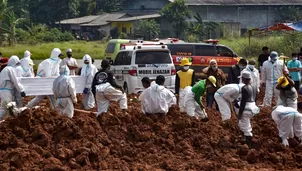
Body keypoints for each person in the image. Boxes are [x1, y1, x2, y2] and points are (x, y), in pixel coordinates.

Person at [238, 71, 260, 147]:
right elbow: (256, 97)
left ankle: (248, 143)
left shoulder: (244, 88)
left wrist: (240, 114)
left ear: (244, 79)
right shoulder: (254, 86)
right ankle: (245, 138)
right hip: (253, 107)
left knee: (245, 126)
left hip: (246, 109)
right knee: (245, 124)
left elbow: (243, 103)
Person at [0, 56, 26, 120]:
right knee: (9, 107)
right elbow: (15, 81)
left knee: (6, 107)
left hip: (4, 91)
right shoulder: (10, 69)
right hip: (6, 91)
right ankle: (15, 119)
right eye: (16, 64)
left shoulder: (5, 69)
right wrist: (21, 90)